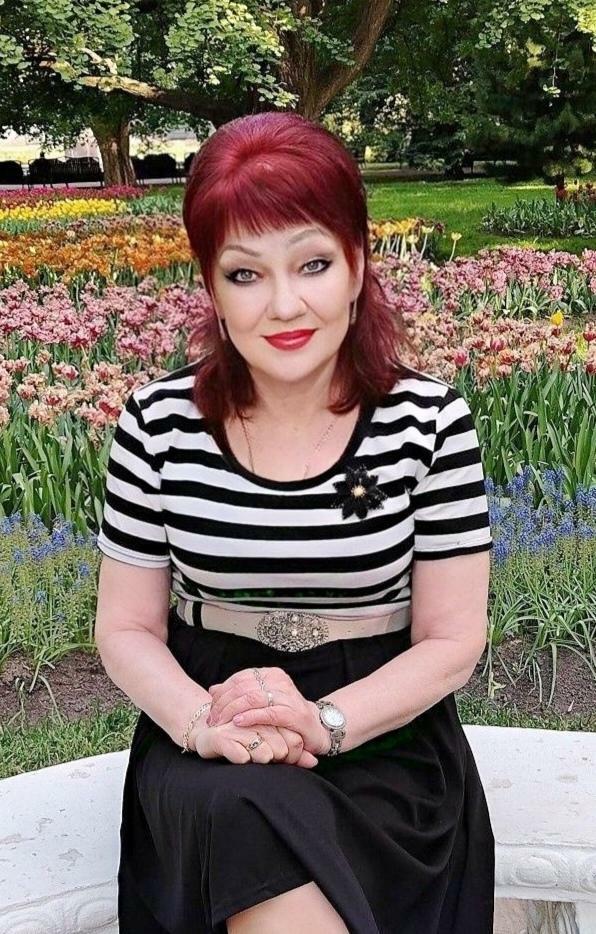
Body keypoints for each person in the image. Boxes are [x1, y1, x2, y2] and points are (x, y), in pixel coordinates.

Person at [95, 111, 495, 934]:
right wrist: (203, 723)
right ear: (211, 286)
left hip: (383, 730)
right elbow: (126, 628)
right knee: (241, 813)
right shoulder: (158, 425)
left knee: (262, 836)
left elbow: (453, 638)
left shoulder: (427, 423)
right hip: (211, 723)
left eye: (312, 263)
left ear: (357, 263)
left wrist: (323, 722)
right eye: (245, 274)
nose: (284, 305)